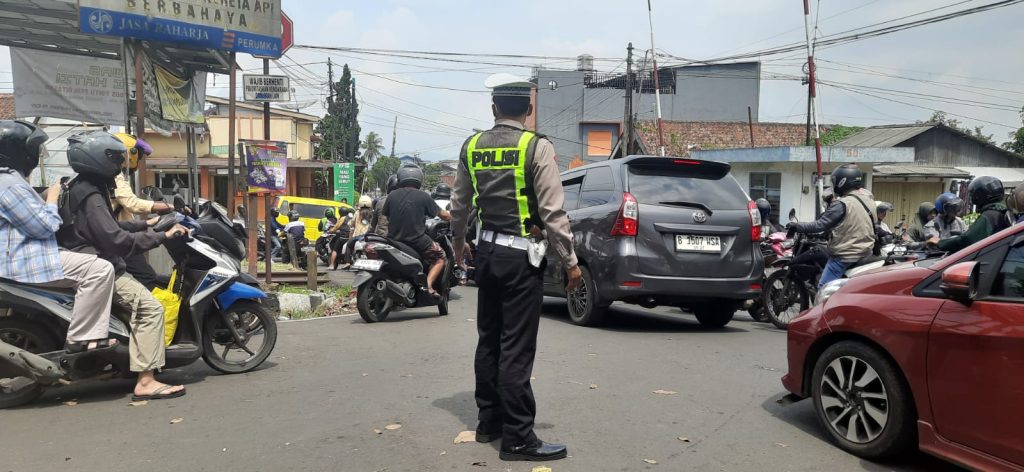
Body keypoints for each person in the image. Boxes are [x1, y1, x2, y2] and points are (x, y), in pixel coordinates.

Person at [449, 73, 582, 462]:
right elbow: (554, 212)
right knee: (516, 348)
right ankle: (519, 438)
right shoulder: (536, 147)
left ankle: (488, 421)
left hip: (486, 257)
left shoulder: (471, 146)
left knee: (489, 339)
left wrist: (459, 249)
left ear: (494, 108)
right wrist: (570, 262)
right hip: (522, 260)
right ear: (529, 108)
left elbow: (460, 208)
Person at [57, 130, 189, 401]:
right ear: (99, 160)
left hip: (88, 257)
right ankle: (146, 381)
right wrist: (161, 236)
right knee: (151, 309)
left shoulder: (83, 186)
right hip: (100, 263)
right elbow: (115, 239)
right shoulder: (91, 194)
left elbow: (109, 226)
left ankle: (129, 362)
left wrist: (145, 223)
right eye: (116, 160)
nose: (120, 166)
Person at [0, 121, 117, 354]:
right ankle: (82, 338)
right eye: (34, 149)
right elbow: (45, 227)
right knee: (100, 270)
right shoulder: (9, 183)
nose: (36, 154)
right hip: (22, 261)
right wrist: (52, 198)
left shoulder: (11, 180)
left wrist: (42, 197)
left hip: (18, 257)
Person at [788, 164, 876, 289]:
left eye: (834, 181)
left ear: (842, 181)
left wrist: (797, 226)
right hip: (866, 252)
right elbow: (853, 223)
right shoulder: (869, 200)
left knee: (824, 289)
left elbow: (820, 224)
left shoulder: (842, 204)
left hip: (846, 256)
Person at [111, 133, 177, 290]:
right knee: (146, 276)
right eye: (138, 155)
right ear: (128, 154)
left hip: (120, 231)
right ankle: (145, 312)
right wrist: (168, 206)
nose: (138, 160)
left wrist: (147, 222)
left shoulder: (113, 176)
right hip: (118, 237)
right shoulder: (115, 176)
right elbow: (133, 203)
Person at [383, 164, 451, 296]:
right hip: (417, 240)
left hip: (393, 239)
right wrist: (454, 216)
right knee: (440, 257)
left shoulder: (391, 195)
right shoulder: (424, 196)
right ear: (419, 178)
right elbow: (443, 215)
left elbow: (386, 215)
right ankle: (429, 285)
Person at [929, 176, 1012, 252]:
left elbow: (967, 240)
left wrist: (941, 243)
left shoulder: (989, 216)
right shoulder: (1003, 212)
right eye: (952, 208)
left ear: (979, 196)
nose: (955, 211)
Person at [339, 196, 374, 268]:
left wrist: (351, 225)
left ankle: (348, 262)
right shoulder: (372, 213)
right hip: (369, 236)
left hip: (358, 236)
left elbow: (352, 222)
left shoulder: (357, 213)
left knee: (348, 245)